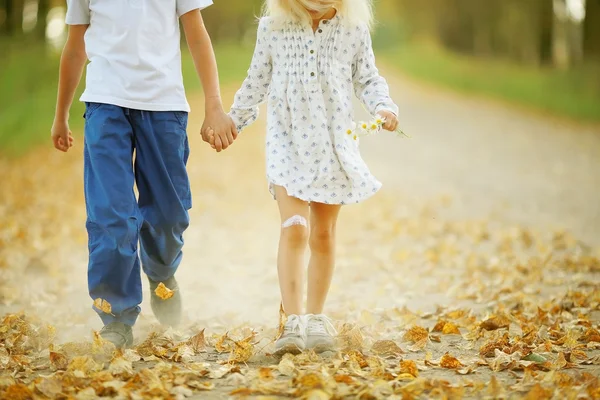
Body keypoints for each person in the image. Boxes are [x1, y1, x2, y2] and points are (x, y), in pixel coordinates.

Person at [51, 0, 237, 348]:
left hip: (164, 107)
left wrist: (214, 105)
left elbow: (197, 36)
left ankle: (162, 274)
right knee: (112, 216)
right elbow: (76, 45)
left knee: (168, 216)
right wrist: (61, 114)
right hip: (105, 105)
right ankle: (117, 315)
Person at [223, 0, 399, 354]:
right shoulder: (273, 28)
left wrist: (383, 106)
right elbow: (256, 81)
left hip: (332, 144)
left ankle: (316, 318)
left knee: (321, 232)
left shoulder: (353, 30)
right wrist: (231, 122)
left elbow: (366, 78)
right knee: (295, 227)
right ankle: (292, 321)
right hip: (286, 141)